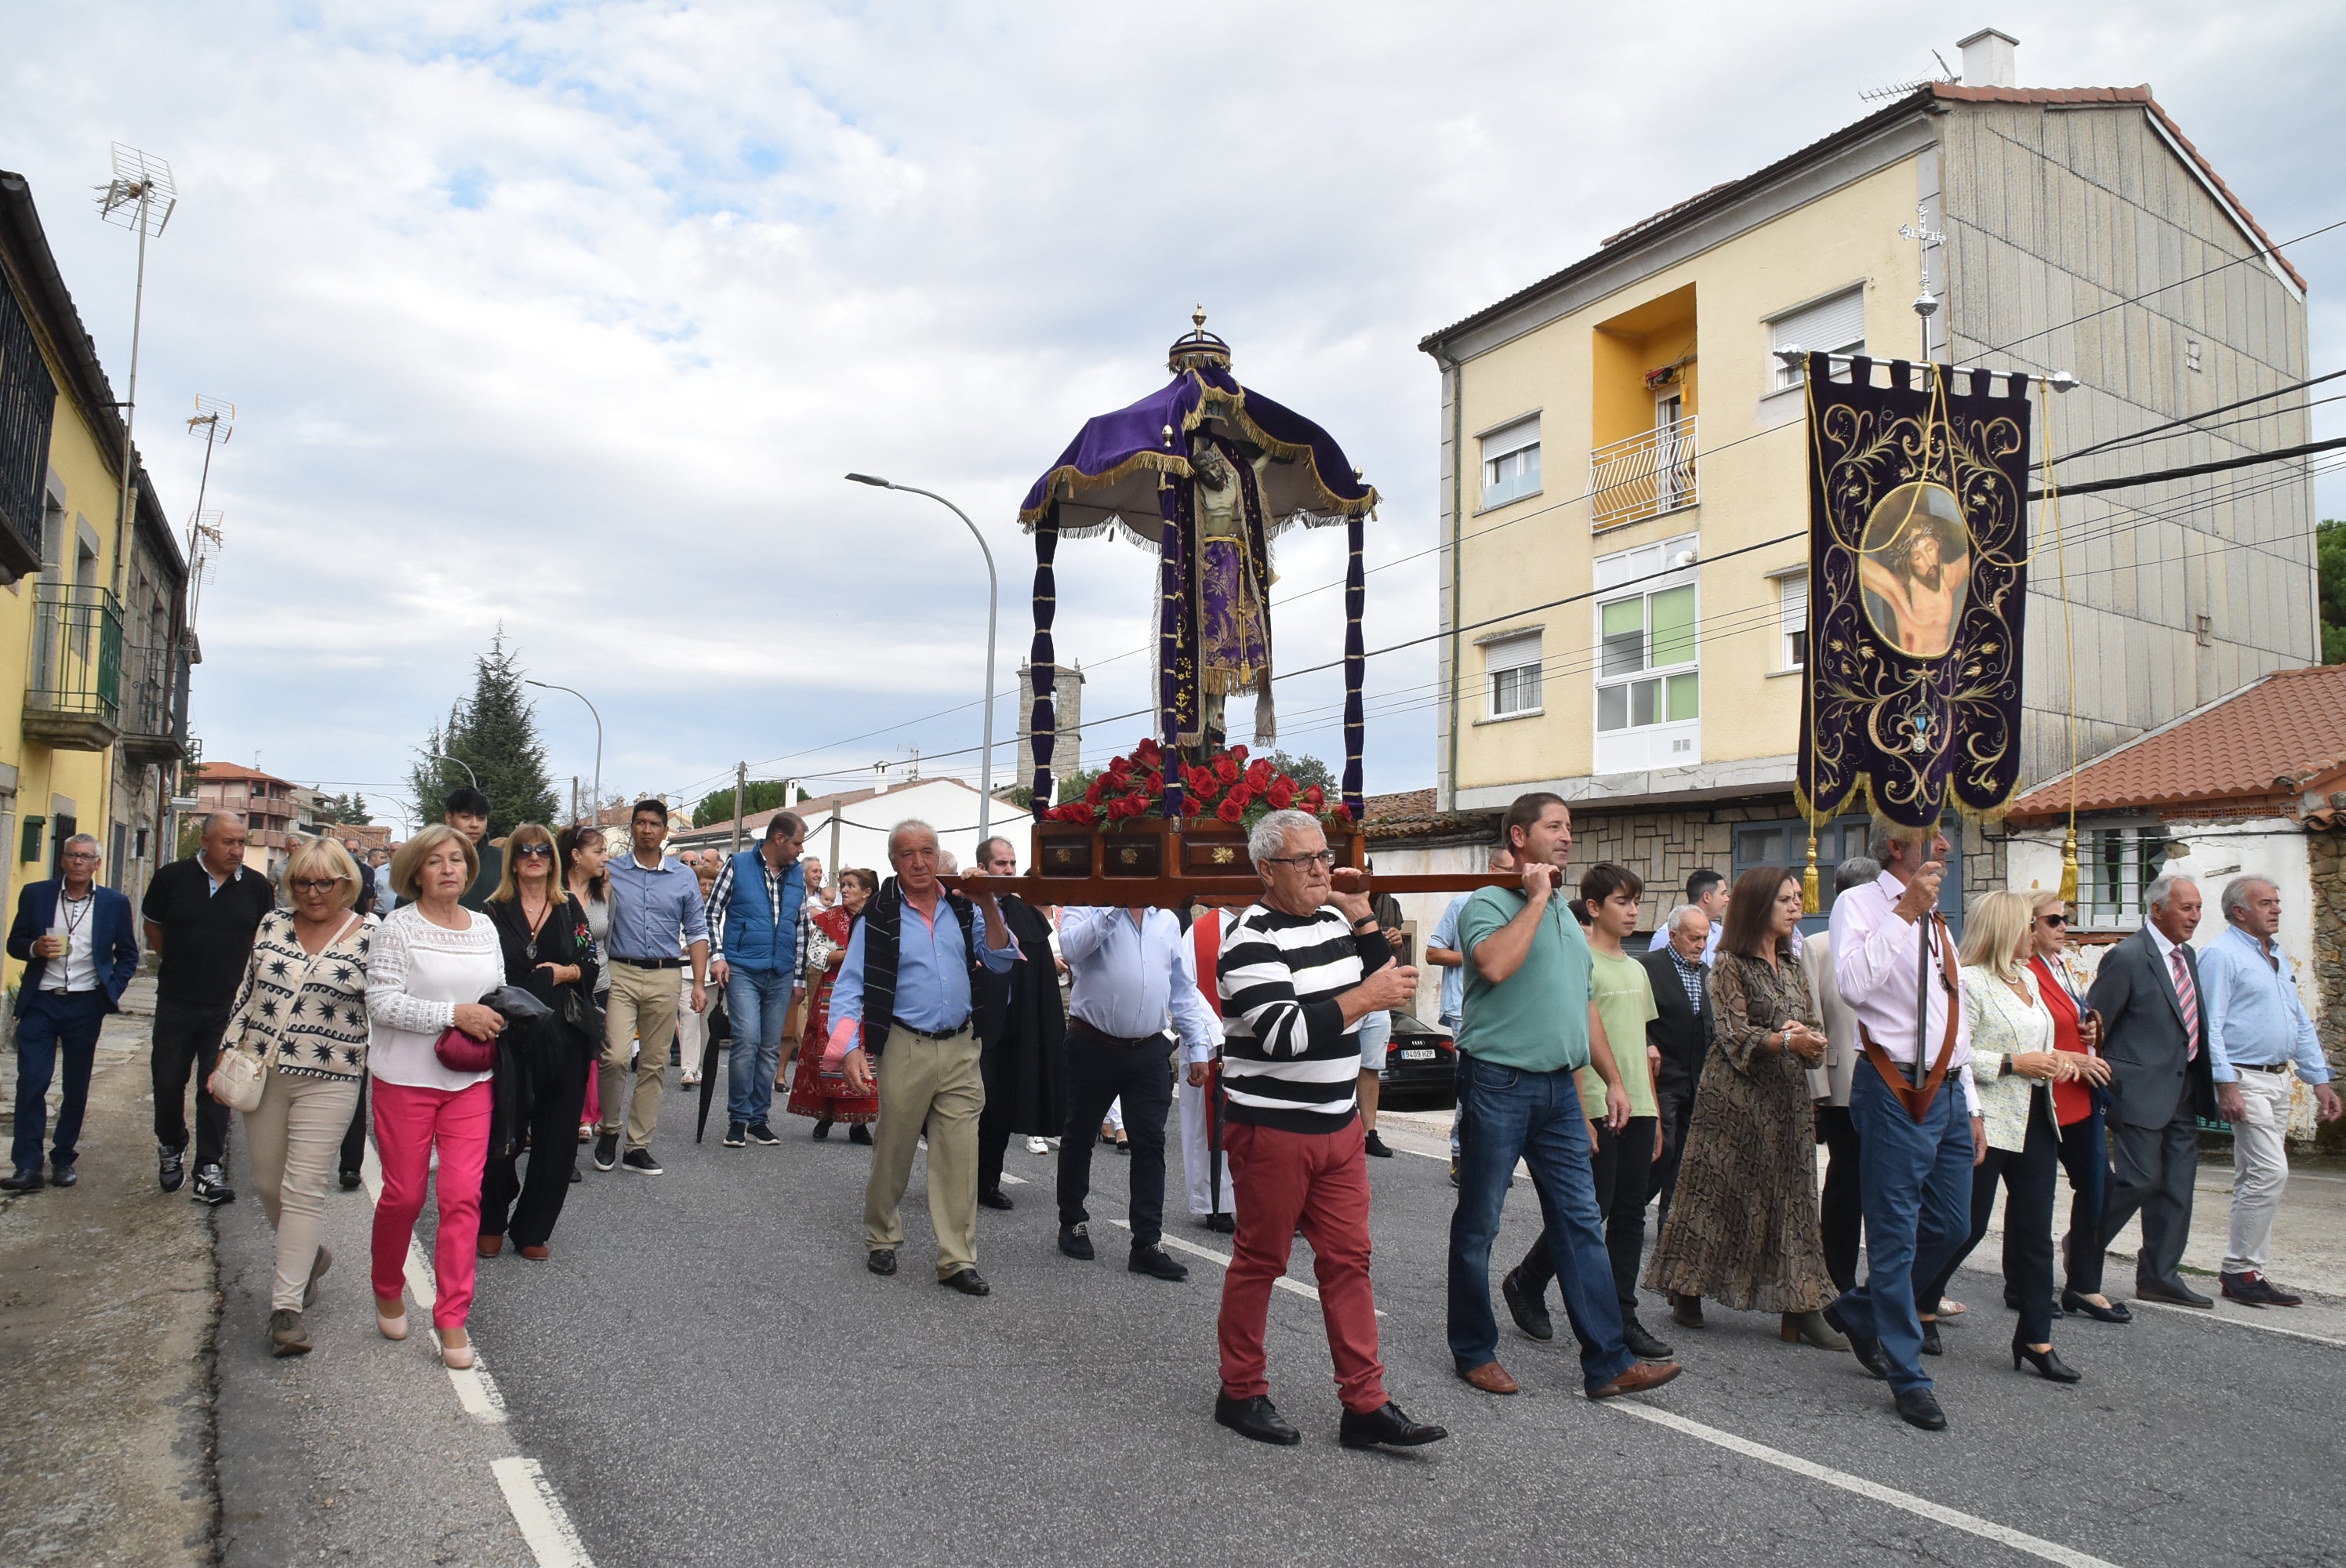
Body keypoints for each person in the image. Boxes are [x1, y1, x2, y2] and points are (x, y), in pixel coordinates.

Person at [1215, 808, 1446, 1450]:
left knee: (1349, 1263)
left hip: (1338, 1125)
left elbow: (1388, 985)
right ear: (1267, 869)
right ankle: (1240, 1392)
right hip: (1272, 1130)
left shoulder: (1333, 922)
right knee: (1260, 1261)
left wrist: (1362, 911)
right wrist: (1365, 998)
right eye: (1306, 860)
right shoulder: (1248, 938)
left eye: (1324, 856)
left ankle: (1365, 1404)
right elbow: (1284, 1034)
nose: (1322, 868)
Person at [1446, 793, 1680, 1407]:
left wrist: (1615, 1080)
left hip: (1558, 1088)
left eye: (1570, 828)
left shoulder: (1568, 927)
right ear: (1520, 837)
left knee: (1581, 1221)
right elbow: (1495, 965)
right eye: (1555, 827)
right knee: (1480, 1222)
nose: (1567, 836)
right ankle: (1474, 1351)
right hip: (1497, 1081)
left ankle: (1607, 1362)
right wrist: (1540, 896)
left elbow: (1582, 1006)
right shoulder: (1488, 904)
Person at [1823, 819, 1984, 1433]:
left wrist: (1969, 1103)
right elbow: (1855, 987)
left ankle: (1862, 1308)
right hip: (1892, 1084)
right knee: (1893, 1234)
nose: (1944, 847)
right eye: (1933, 836)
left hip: (1944, 1086)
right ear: (1897, 847)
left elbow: (1952, 1017)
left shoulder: (1939, 919)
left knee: (1953, 1224)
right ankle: (1907, 1372)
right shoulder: (1858, 904)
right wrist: (1904, 914)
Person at [1645, 866, 1843, 1350]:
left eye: (1798, 897)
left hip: (1787, 1096)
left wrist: (1813, 1042)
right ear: (1758, 907)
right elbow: (1733, 1035)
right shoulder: (1729, 963)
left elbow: (1812, 1021)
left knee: (1795, 1199)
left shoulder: (1797, 964)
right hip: (1733, 1096)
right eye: (1785, 899)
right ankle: (1686, 1287)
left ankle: (1802, 1308)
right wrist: (1786, 1039)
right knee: (1714, 1196)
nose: (1797, 906)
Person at [831, 821, 1015, 1294]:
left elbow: (997, 959)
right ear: (894, 862)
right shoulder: (878, 915)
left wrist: (989, 901)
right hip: (903, 1046)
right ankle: (882, 1236)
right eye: (908, 854)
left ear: (938, 857)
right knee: (894, 1149)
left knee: (959, 1155)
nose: (919, 862)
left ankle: (957, 1258)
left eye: (927, 852)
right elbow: (850, 987)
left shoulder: (961, 907)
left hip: (960, 1047)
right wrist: (849, 1047)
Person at [1908, 889, 2081, 1381]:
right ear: (2006, 928)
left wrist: (2065, 1060)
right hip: (1984, 1119)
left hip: (2036, 1118)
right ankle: (1920, 1302)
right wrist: (2012, 1063)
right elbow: (1954, 1054)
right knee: (1966, 1225)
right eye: (2029, 924)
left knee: (2034, 1235)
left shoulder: (2029, 977)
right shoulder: (1970, 982)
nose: (2037, 933)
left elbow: (2039, 1043)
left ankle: (2036, 1338)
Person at [1508, 863, 1672, 1361]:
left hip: (1638, 1104)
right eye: (1622, 902)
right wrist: (1580, 1110)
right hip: (1598, 1103)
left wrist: (1656, 1116)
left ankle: (1624, 1315)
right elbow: (1575, 1038)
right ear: (1595, 907)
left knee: (1629, 1215)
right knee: (1591, 1209)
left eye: (1636, 902)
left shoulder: (1637, 968)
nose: (1632, 912)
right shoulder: (1581, 963)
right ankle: (1527, 1280)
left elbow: (1642, 1044)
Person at [219, 838, 371, 1355]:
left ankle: (285, 1309)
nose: (311, 893)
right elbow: (247, 992)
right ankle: (310, 1257)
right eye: (302, 882)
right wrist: (227, 1051)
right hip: (263, 1069)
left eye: (324, 882)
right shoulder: (272, 925)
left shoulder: (370, 935)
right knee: (265, 1183)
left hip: (330, 1077)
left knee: (303, 1186)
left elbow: (385, 1005)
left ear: (346, 883)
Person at [368, 825, 507, 1369]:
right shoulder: (396, 928)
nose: (449, 868)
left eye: (457, 860)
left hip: (471, 1080)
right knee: (404, 1196)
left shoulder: (486, 927)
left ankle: (452, 1317)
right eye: (435, 861)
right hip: (404, 1078)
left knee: (461, 1197)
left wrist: (492, 1016)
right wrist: (453, 1015)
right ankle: (386, 1282)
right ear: (415, 873)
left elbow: (493, 990)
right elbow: (380, 1002)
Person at [2068, 874, 2215, 1310]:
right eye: (2187, 908)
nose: (2195, 916)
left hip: (2183, 1086)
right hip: (2136, 1090)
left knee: (2177, 1185)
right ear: (2157, 910)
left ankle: (2159, 1276)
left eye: (2198, 907)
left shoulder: (2186, 955)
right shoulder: (2128, 956)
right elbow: (2097, 1024)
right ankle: (2081, 1248)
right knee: (2138, 1179)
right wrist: (2107, 1080)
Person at [1053, 901, 1218, 1279]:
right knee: (1079, 1135)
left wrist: (1197, 1045)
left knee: (1150, 1144)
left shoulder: (1167, 919)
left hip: (1149, 1048)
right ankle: (1073, 1220)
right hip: (1093, 1042)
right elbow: (1073, 949)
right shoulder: (1090, 907)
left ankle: (1147, 1241)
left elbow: (1182, 988)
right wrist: (1113, 908)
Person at [2201, 877, 2340, 1306]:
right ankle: (2239, 1268)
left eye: (2277, 902)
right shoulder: (2221, 956)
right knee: (2269, 1172)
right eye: (2266, 903)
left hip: (2278, 1079)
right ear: (2239, 911)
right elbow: (2211, 1025)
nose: (2276, 909)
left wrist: (2318, 1080)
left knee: (2255, 1177)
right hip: (2245, 1079)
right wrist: (2225, 1084)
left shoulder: (2276, 956)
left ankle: (2248, 1270)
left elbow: (2298, 1022)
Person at [480, 823, 601, 1261]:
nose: (534, 857)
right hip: (507, 1036)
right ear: (511, 859)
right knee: (501, 1132)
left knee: (557, 1136)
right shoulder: (491, 911)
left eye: (543, 851)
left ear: (554, 859)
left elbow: (590, 962)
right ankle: (491, 1218)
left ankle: (532, 1227)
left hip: (563, 1035)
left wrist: (563, 972)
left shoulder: (569, 909)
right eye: (525, 851)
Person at [142, 811, 277, 1205]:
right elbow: (153, 927)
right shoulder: (172, 878)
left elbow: (261, 941)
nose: (237, 850)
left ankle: (208, 1166)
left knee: (217, 1087)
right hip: (177, 1001)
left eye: (242, 842)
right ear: (205, 841)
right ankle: (171, 1142)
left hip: (229, 1006)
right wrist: (180, 961)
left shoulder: (255, 887)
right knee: (167, 1082)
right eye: (228, 842)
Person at [3, 835, 141, 1192]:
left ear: (97, 863)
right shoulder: (36, 894)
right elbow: (15, 943)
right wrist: (34, 947)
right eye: (72, 856)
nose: (78, 862)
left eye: (86, 857)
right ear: (62, 860)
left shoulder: (113, 903)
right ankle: (28, 1167)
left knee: (76, 1085)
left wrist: (113, 986)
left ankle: (63, 1158)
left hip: (85, 1004)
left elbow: (127, 953)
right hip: (41, 1002)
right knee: (32, 1082)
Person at [594, 799, 709, 1178]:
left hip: (665, 974)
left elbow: (696, 931)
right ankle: (609, 1130)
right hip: (620, 971)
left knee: (655, 1064)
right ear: (632, 828)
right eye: (640, 823)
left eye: (654, 824)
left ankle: (637, 1145)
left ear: (665, 831)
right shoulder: (611, 871)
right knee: (614, 1057)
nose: (647, 830)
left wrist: (698, 983)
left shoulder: (683, 877)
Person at [2023, 891, 2122, 1323]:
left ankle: (2083, 1283)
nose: (2064, 926)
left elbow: (2071, 1020)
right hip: (2046, 1093)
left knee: (2101, 1187)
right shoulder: (2022, 971)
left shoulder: (2060, 967)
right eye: (2054, 920)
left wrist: (2092, 1025)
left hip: (2079, 1094)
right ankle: (2023, 1285)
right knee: (2032, 1198)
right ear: (2029, 928)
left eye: (2067, 919)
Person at [971, 837, 1066, 1210]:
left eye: (1012, 863)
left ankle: (987, 1183)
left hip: (1015, 1028)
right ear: (982, 866)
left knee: (999, 1109)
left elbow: (1040, 983)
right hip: (975, 1027)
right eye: (1000, 864)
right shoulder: (964, 908)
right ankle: (955, 1180)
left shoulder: (1028, 916)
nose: (1008, 870)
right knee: (969, 1108)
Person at [1802, 855, 1879, 1294]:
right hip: (1843, 1083)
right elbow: (1813, 1019)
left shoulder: (1897, 939)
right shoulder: (1818, 946)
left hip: (1896, 1082)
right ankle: (1838, 1275)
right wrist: (1816, 1091)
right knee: (1847, 1181)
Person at [710, 815, 811, 1149]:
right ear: (779, 839)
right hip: (742, 968)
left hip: (781, 972)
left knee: (770, 1047)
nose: (800, 850)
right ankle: (738, 1119)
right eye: (797, 843)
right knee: (747, 1040)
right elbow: (712, 913)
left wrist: (798, 976)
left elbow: (800, 929)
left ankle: (758, 1120)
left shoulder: (796, 875)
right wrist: (717, 956)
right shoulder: (738, 865)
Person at [1428, 844, 1516, 1179]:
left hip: (1508, 1009)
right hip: (1466, 1008)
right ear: (1493, 871)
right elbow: (1433, 953)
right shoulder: (1463, 904)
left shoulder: (1520, 908)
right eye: (1511, 870)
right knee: (1474, 1083)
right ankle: (1460, 1156)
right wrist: (1482, 958)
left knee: (1502, 1086)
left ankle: (1494, 1161)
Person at [788, 868, 877, 1142]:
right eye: (843, 885)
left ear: (867, 892)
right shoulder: (830, 919)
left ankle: (858, 1123)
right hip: (832, 993)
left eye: (851, 885)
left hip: (868, 995)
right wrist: (847, 955)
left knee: (866, 1055)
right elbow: (815, 954)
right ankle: (824, 1116)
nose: (845, 890)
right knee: (828, 1056)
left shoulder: (878, 919)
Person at [1641, 902, 1712, 1233]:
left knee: (1685, 1155)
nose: (1700, 945)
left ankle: (1670, 1224)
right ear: (1673, 936)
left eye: (1704, 938)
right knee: (1664, 1147)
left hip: (1696, 1079)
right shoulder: (1649, 969)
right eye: (1693, 938)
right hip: (1663, 1078)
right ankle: (1633, 1200)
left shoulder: (1707, 974)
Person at [1178, 903, 1235, 1231]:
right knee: (1210, 1123)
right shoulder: (1198, 934)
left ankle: (1276, 1201)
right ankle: (1218, 1201)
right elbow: (1186, 990)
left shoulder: (1275, 919)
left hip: (1266, 1042)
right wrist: (1216, 1032)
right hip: (1216, 1041)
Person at [557, 823, 612, 1144]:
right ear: (576, 856)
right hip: (561, 983)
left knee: (594, 1052)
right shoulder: (553, 890)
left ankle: (587, 1117)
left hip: (600, 983)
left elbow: (610, 936)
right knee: (564, 1053)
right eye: (599, 851)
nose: (606, 858)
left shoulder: (605, 890)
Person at [1355, 869, 1406, 1159]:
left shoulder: (1388, 902)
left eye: (1369, 872)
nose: (1366, 876)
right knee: (1344, 1061)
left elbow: (1393, 954)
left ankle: (1369, 1132)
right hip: (1348, 989)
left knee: (1371, 1065)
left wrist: (1396, 940)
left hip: (1378, 993)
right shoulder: (1333, 901)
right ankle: (1347, 1128)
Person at [1647, 867, 1729, 964]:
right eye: (1723, 894)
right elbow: (1653, 971)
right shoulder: (1667, 934)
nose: (1727, 899)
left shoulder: (1722, 935)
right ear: (1707, 897)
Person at [441, 787, 502, 913]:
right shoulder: (430, 857)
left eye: (481, 818)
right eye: (466, 817)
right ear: (449, 818)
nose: (474, 824)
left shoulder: (501, 859)